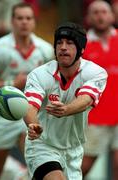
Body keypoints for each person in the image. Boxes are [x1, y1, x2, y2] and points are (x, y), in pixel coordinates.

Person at [0, 2, 54, 180]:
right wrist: (11, 83)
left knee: (36, 164)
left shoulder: (45, 50)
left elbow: (53, 82)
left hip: (31, 112)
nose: (24, 22)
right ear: (12, 21)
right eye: (20, 18)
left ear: (34, 21)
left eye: (28, 18)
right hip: (1, 114)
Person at [23, 21, 108, 180]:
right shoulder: (39, 74)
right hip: (43, 145)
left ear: (82, 49)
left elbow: (86, 99)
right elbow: (29, 105)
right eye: (59, 43)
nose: (63, 47)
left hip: (74, 151)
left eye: (69, 43)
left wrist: (66, 110)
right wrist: (33, 124)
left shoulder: (96, 73)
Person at [81, 1, 118, 179]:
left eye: (104, 11)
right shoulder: (81, 45)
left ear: (112, 15)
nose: (100, 16)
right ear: (88, 18)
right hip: (94, 117)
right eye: (95, 12)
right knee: (82, 168)